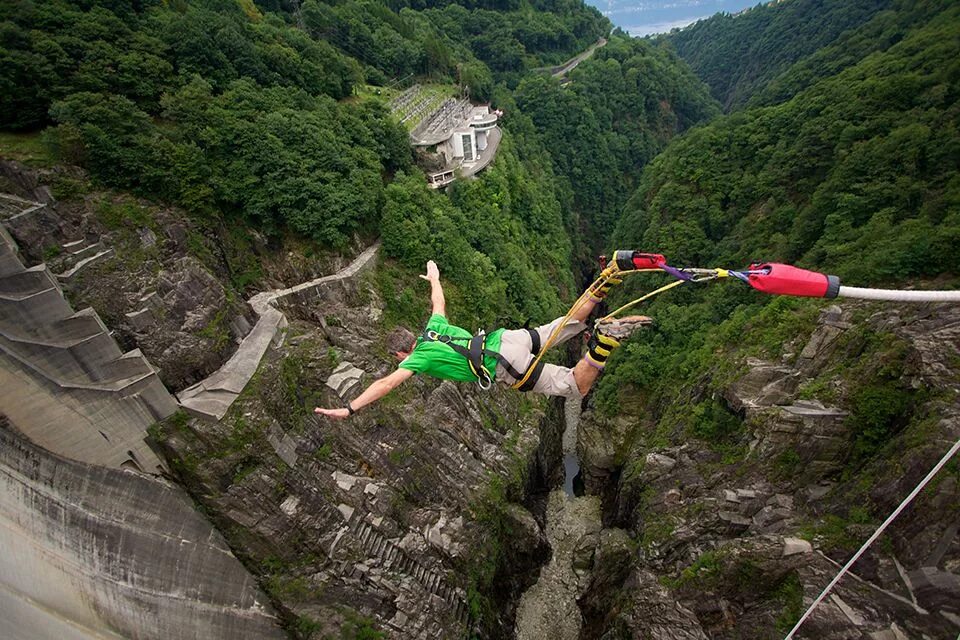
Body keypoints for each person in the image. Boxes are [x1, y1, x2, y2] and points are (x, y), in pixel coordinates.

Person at [314, 260, 649, 419]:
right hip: (505, 338)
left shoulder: (419, 358)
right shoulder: (434, 325)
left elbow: (387, 384)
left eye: (399, 358)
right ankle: (607, 277)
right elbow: (438, 302)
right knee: (566, 324)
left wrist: (350, 407)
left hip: (504, 365)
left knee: (575, 385)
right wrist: (434, 276)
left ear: (403, 351)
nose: (402, 362)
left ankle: (603, 341)